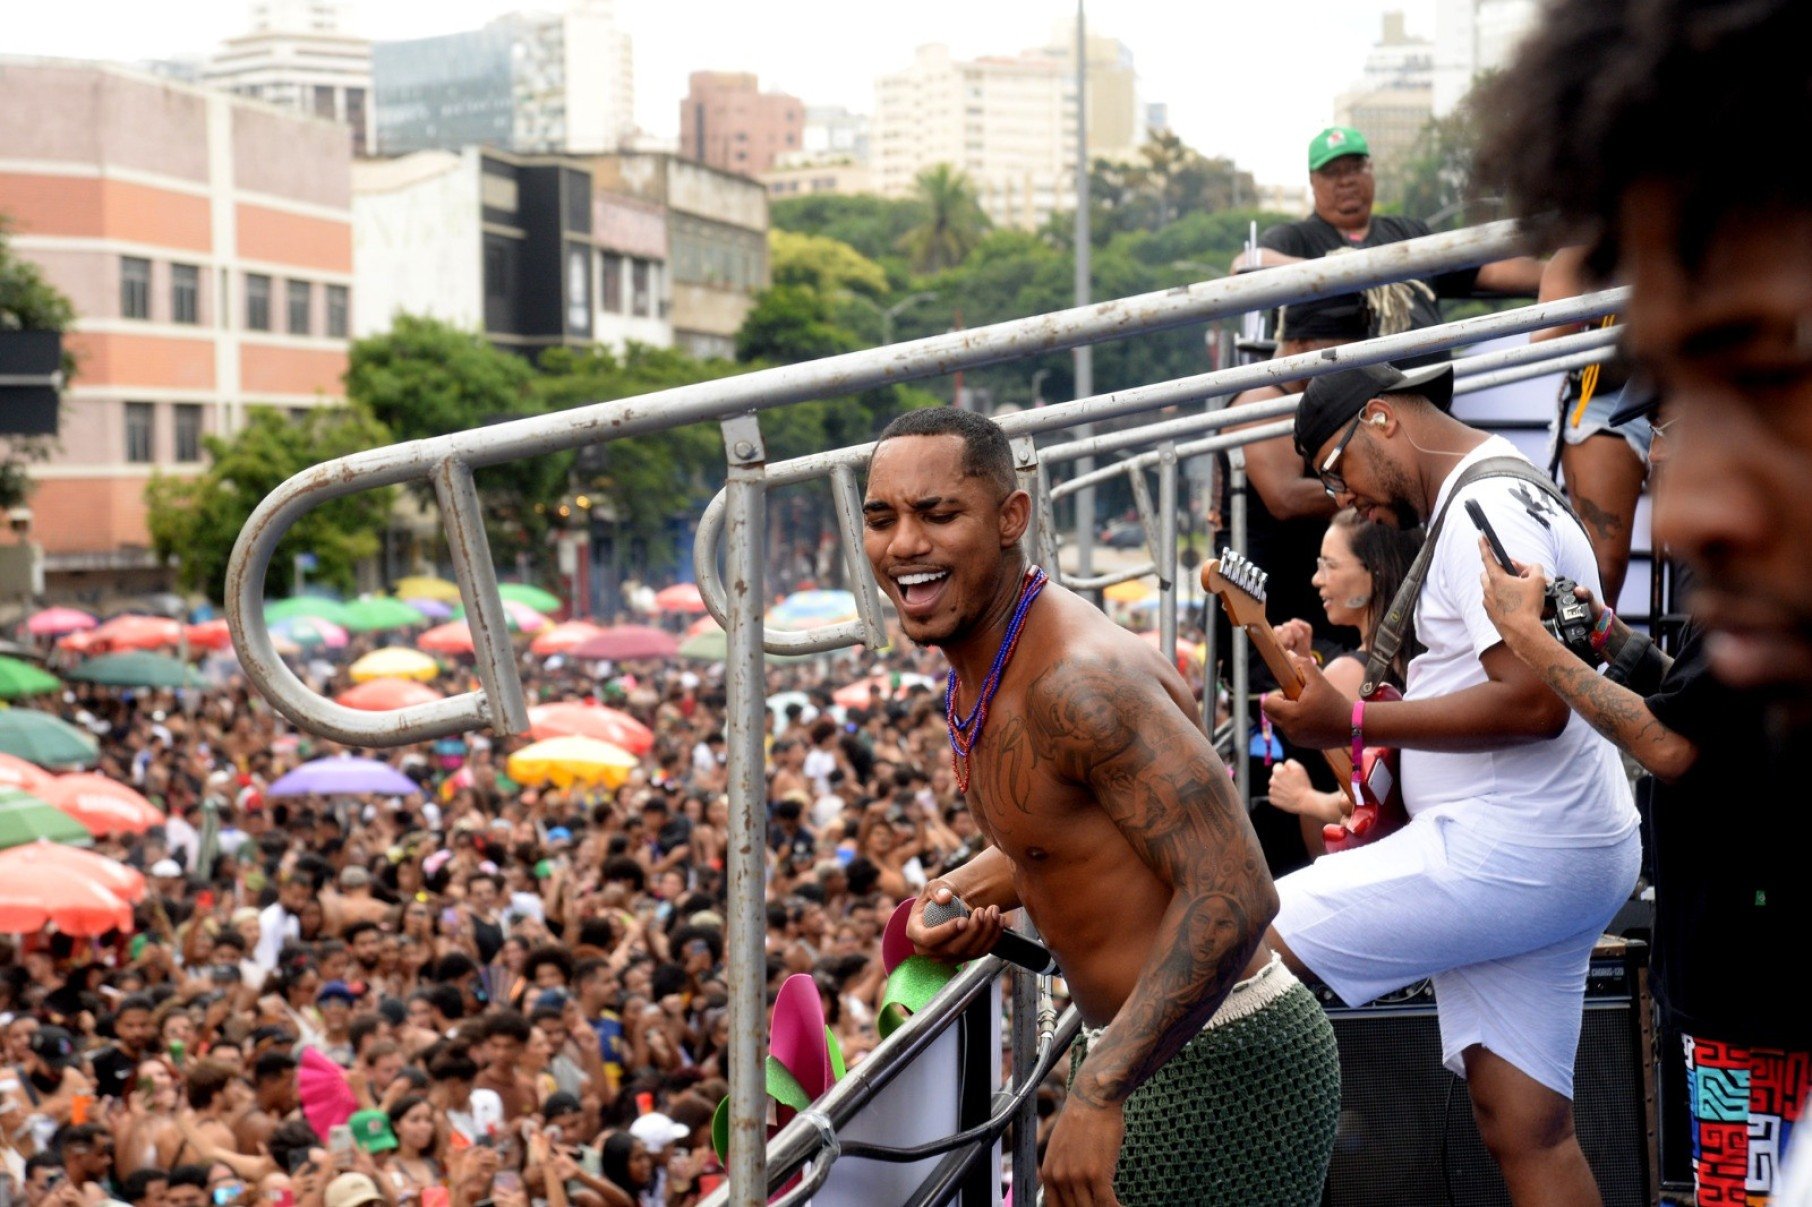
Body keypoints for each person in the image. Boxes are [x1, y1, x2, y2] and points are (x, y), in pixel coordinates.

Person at [868, 407, 1339, 1205]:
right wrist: (955, 897)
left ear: (1012, 516)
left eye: (939, 513)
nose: (905, 543)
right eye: (883, 518)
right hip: (1147, 1052)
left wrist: (1098, 1089)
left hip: (1218, 1063)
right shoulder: (993, 659)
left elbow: (1237, 887)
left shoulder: (1079, 683)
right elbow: (1055, 834)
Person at [1261, 360, 1642, 1202]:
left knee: (1234, 940)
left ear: (1382, 419)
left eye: (1336, 469)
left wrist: (1350, 722)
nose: (1343, 499)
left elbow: (1534, 701)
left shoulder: (1484, 505)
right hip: (1552, 842)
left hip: (1513, 845)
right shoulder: (1503, 490)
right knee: (1526, 1124)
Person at [1264, 508, 1422, 846]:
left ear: (1375, 572)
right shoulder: (1421, 656)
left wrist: (1304, 798)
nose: (1316, 579)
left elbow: (1368, 808)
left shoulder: (1351, 672)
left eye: (1329, 566)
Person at [1532, 247, 1653, 606]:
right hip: (1604, 401)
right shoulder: (1583, 248)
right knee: (1602, 568)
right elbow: (1541, 342)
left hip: (1690, 392)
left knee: (1706, 549)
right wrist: (1578, 304)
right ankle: (1593, 660)